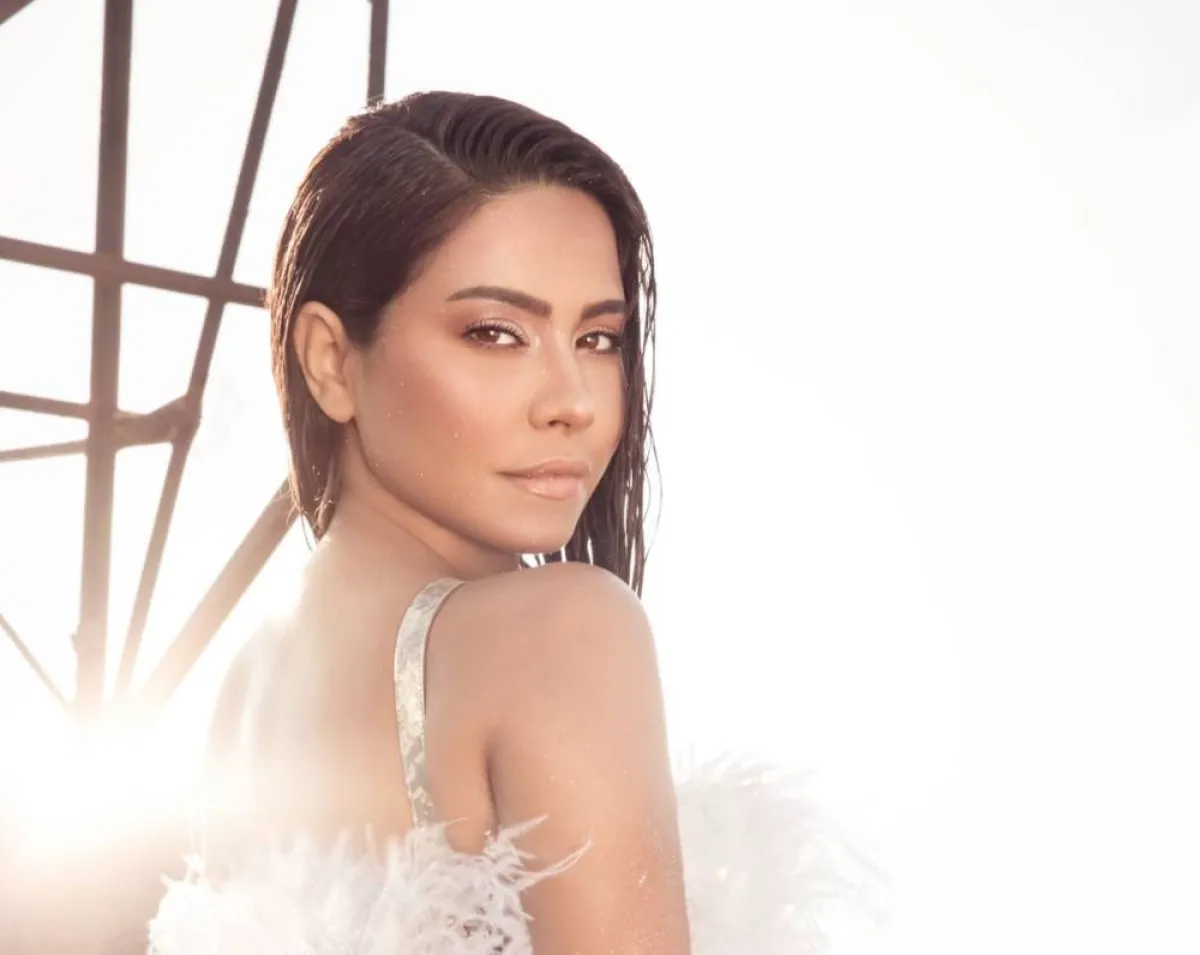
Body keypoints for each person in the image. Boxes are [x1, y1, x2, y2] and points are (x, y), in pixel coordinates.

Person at [148, 91, 880, 955]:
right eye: (496, 333)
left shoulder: (240, 698)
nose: (573, 402)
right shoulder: (559, 631)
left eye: (598, 339)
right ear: (331, 360)